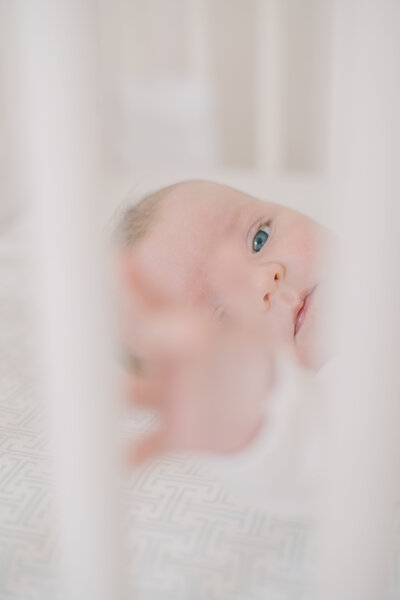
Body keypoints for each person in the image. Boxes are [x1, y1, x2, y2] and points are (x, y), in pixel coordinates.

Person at [117, 180, 336, 514]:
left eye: (259, 238)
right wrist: (254, 438)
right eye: (227, 319)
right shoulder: (335, 396)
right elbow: (327, 462)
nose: (265, 281)